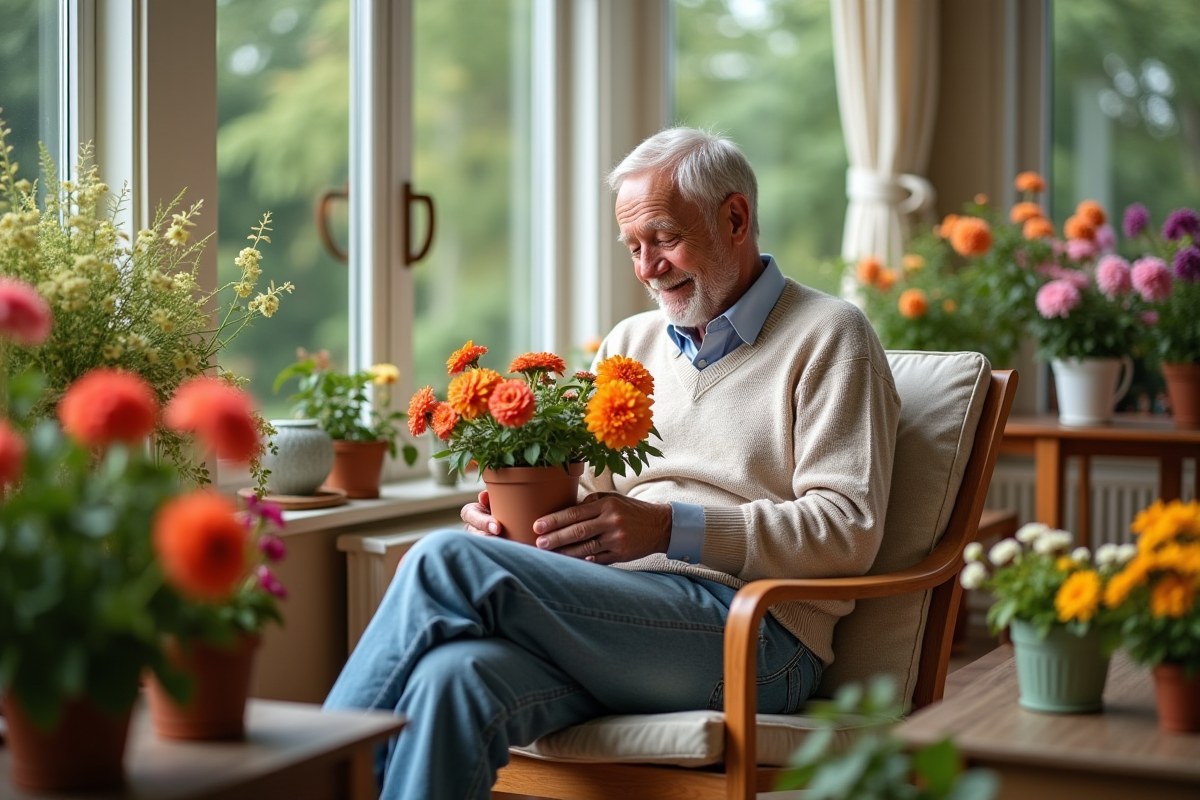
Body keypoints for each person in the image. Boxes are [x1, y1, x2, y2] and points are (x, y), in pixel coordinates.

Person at [323, 127, 901, 799]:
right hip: (624, 615)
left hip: (758, 640)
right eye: (633, 247)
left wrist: (668, 529)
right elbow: (589, 503)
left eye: (663, 238)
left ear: (735, 217)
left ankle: (307, 781)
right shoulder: (631, 341)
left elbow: (848, 530)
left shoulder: (831, 335)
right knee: (453, 677)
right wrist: (517, 529)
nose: (647, 266)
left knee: (441, 561)